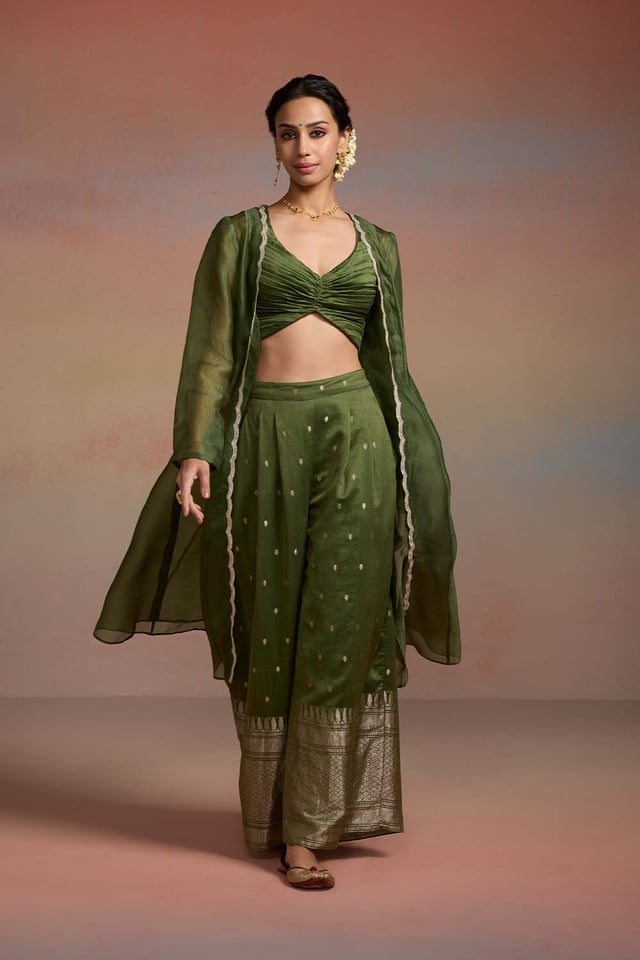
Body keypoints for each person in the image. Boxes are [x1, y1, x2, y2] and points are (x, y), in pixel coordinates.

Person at [94, 74, 461, 890]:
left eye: (318, 131)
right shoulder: (242, 236)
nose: (303, 147)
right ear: (274, 143)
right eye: (288, 133)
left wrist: (416, 470)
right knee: (269, 626)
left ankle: (309, 830)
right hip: (264, 436)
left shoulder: (378, 245)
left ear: (346, 140)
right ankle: (277, 813)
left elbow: (392, 365)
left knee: (340, 621)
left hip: (359, 439)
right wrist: (196, 448)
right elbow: (210, 350)